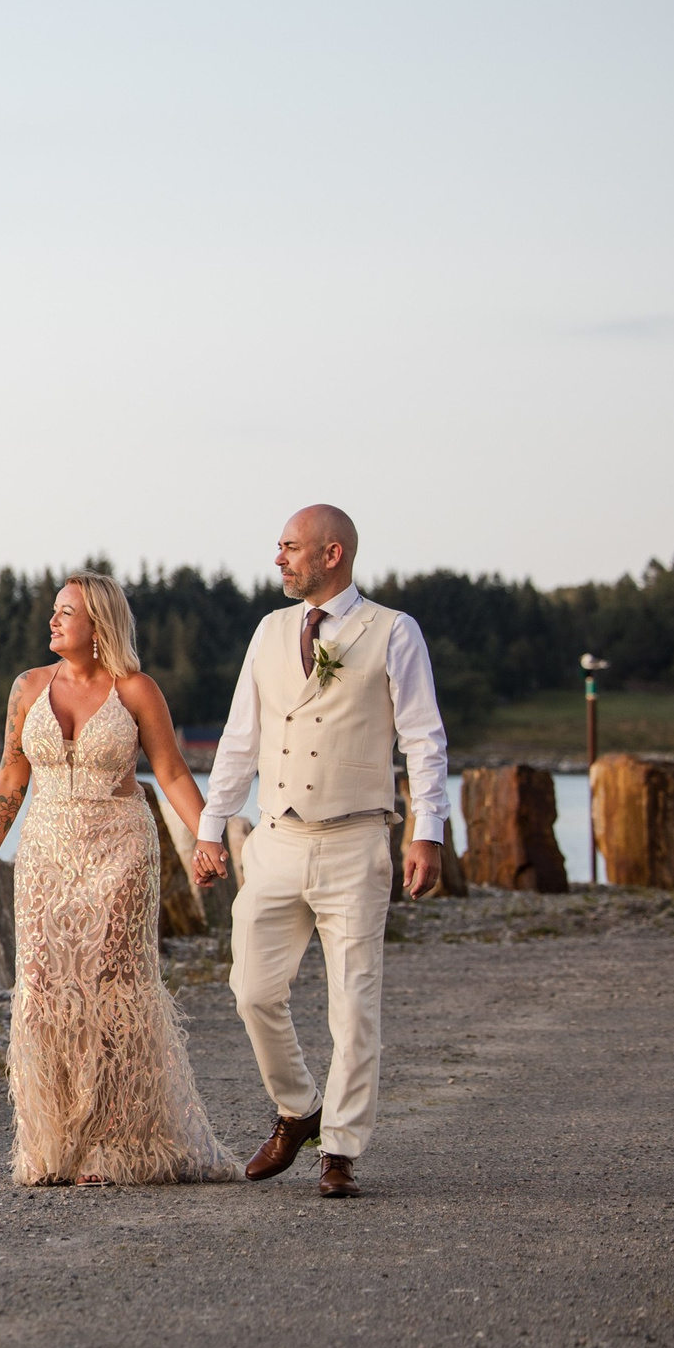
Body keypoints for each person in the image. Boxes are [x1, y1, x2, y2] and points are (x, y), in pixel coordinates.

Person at [189, 505, 449, 1200]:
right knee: (252, 990)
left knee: (354, 1001)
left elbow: (424, 737)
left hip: (358, 838)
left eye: (291, 548)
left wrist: (429, 830)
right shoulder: (271, 630)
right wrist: (212, 827)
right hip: (275, 839)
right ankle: (300, 1107)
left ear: (332, 554)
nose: (279, 559)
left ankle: (342, 1148)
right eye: (279, 547)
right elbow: (239, 738)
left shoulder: (394, 631)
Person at [0, 571, 241, 1186]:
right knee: (43, 989)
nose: (53, 621)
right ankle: (53, 1145)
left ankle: (114, 1146)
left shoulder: (136, 690)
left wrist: (205, 837)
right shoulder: (28, 688)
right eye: (55, 611)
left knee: (112, 991)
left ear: (99, 625)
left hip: (120, 848)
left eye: (67, 613)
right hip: (44, 852)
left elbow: (170, 772)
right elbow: (11, 775)